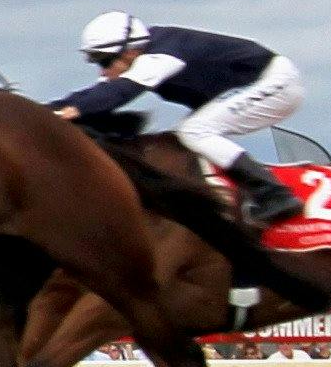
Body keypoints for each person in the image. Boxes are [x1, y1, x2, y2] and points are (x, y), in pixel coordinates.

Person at [60, 12, 312, 228]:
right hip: (248, 87)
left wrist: (75, 111)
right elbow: (93, 94)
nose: (103, 70)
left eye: (104, 61)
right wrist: (43, 111)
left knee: (194, 131)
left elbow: (118, 94)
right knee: (185, 135)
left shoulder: (161, 56)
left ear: (131, 50)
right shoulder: (137, 58)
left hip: (276, 82)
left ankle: (274, 194)